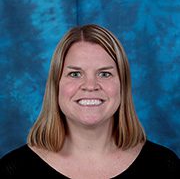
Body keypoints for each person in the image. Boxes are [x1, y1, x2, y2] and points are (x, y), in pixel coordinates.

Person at [0, 24, 179, 178]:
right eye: (75, 74)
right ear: (56, 86)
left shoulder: (165, 166)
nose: (90, 85)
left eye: (104, 74)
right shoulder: (13, 171)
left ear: (123, 86)